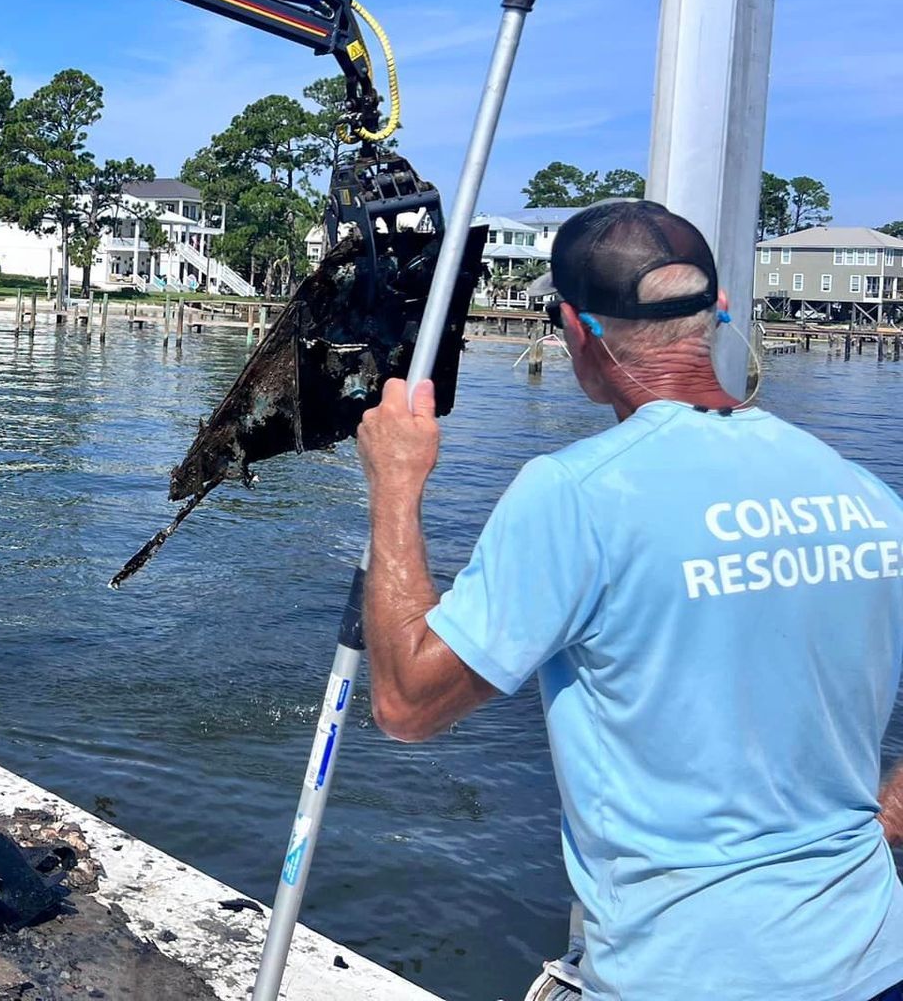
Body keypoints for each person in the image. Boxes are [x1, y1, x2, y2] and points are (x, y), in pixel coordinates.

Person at [355, 199, 903, 999]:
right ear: (717, 311)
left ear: (578, 331)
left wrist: (395, 487)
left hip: (685, 975)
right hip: (875, 957)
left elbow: (407, 702)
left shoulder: (577, 493)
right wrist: (883, 819)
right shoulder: (865, 495)